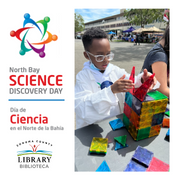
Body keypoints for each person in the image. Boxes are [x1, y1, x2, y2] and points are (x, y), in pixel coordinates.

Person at [75, 27, 158, 129]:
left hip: (116, 122)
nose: (106, 60)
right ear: (87, 55)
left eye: (108, 54)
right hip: (94, 128)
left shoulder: (114, 70)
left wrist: (142, 80)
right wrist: (111, 90)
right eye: (99, 57)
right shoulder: (83, 77)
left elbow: (132, 81)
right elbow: (83, 108)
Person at [141, 25, 169, 98]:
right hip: (151, 102)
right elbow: (162, 90)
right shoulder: (159, 55)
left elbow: (167, 79)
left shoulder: (163, 50)